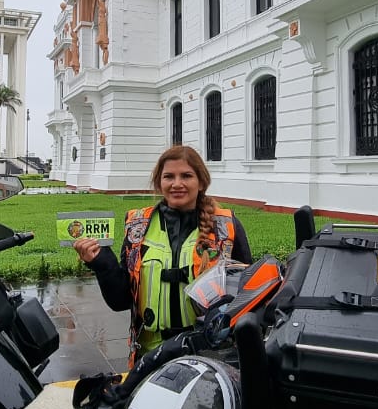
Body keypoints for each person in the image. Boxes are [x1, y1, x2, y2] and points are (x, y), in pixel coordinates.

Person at [73, 145, 251, 363]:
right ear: (159, 183)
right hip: (151, 355)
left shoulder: (226, 226)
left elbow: (248, 296)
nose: (177, 184)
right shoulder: (137, 226)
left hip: (210, 355)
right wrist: (102, 263)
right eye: (169, 176)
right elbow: (121, 301)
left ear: (201, 182)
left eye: (186, 176)